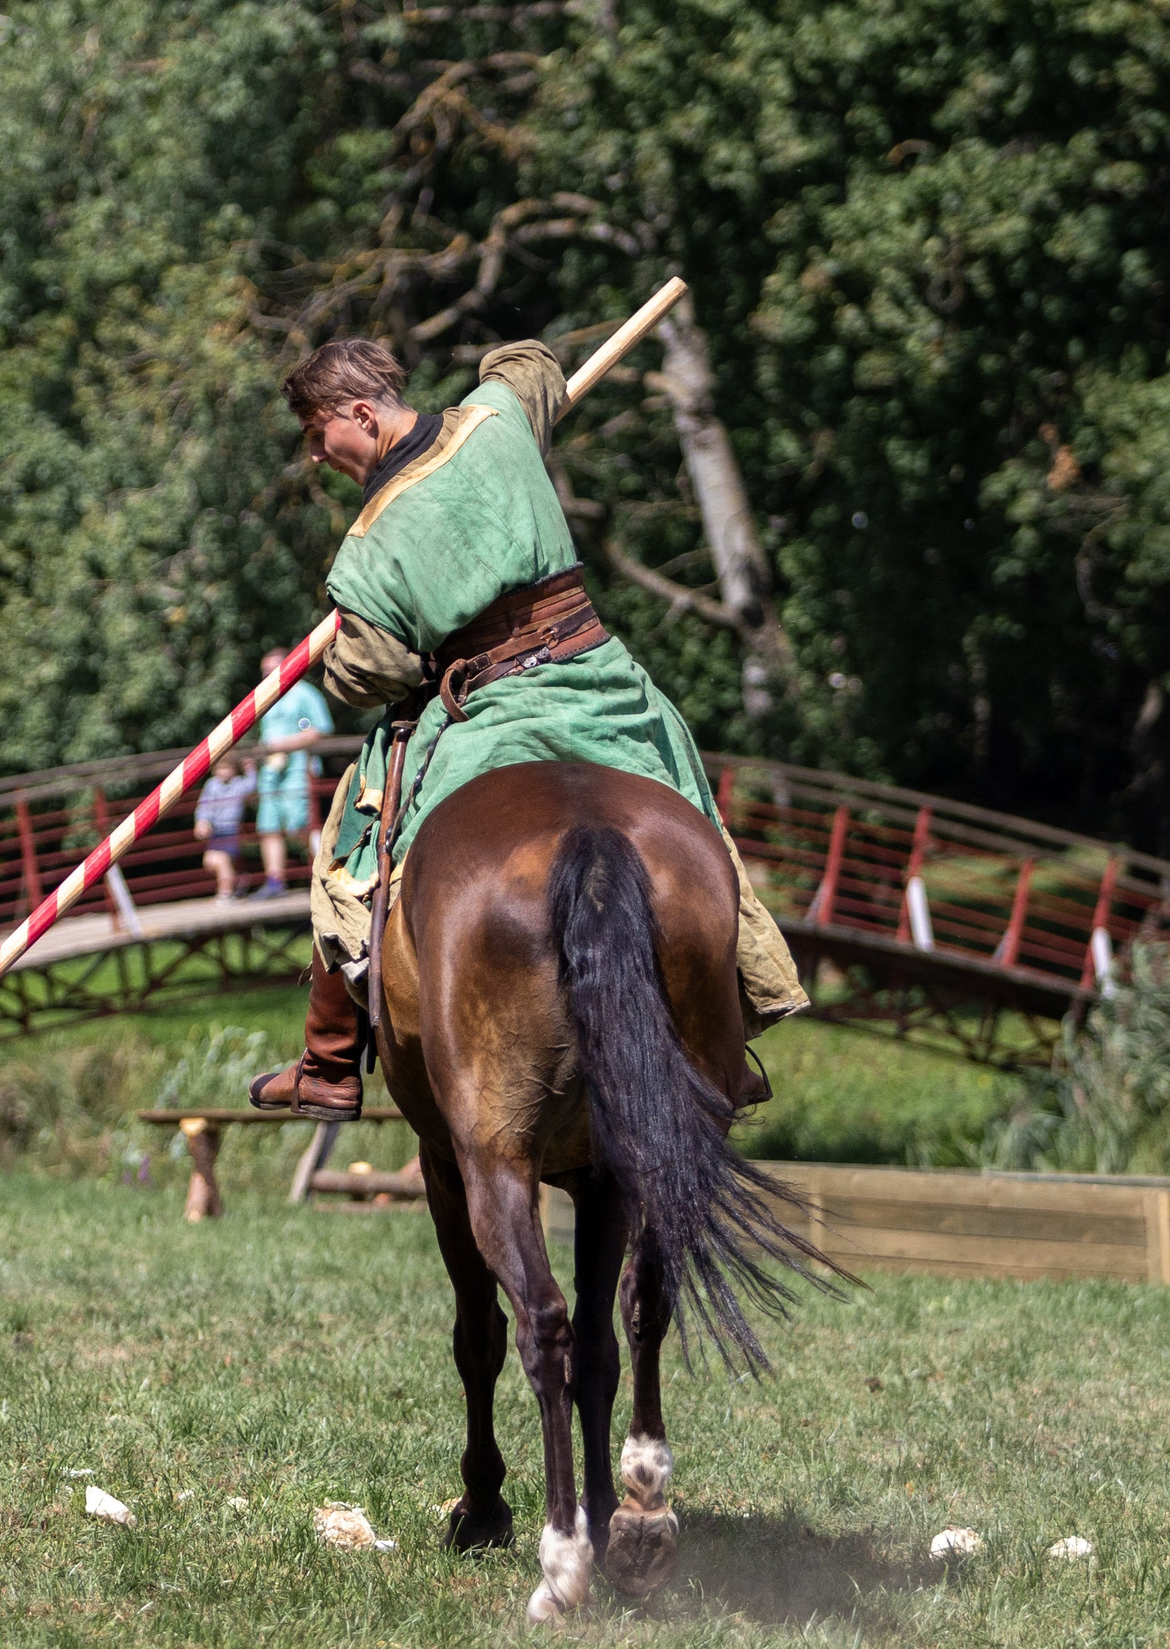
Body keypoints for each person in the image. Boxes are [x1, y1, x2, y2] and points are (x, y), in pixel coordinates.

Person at [245, 335, 808, 1121]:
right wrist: (505, 388)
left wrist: (346, 647)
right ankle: (727, 1031)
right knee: (688, 805)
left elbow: (370, 676)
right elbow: (530, 364)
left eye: (316, 434)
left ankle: (330, 1062)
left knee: (351, 830)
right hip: (602, 685)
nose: (315, 456)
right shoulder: (496, 418)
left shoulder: (370, 544)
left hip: (487, 713)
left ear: (362, 414)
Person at [252, 649, 334, 899]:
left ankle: (325, 876)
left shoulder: (305, 694)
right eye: (263, 671)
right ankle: (275, 881)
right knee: (268, 825)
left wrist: (282, 746)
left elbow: (320, 731)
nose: (266, 676)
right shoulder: (266, 698)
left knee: (301, 825)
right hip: (271, 771)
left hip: (299, 768)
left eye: (271, 669)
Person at [193, 753, 254, 901]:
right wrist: (201, 822)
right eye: (220, 768)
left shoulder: (238, 784)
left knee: (222, 860)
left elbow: (251, 786)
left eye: (227, 768)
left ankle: (225, 893)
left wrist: (250, 769)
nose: (224, 772)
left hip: (231, 830)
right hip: (216, 830)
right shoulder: (211, 785)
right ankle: (238, 879)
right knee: (209, 862)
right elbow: (204, 805)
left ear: (233, 769)